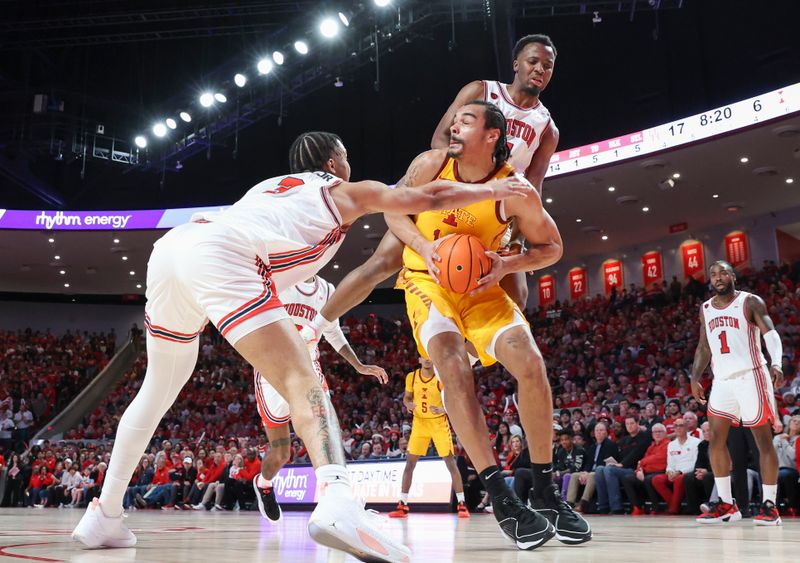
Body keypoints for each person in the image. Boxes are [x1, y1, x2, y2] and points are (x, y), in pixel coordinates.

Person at [71, 130, 530, 562]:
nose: (350, 163)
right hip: (222, 252)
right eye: (346, 156)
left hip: (175, 248)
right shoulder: (343, 192)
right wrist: (497, 191)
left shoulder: (268, 186)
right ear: (333, 162)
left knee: (156, 389)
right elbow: (425, 197)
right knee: (302, 379)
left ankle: (105, 516)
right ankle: (338, 500)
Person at [381, 100, 588, 549]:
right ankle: (500, 495)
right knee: (452, 366)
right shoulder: (430, 164)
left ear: (492, 135)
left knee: (531, 363)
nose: (454, 124)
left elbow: (551, 247)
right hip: (426, 280)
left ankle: (546, 491)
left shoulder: (514, 190)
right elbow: (392, 211)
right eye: (454, 119)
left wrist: (507, 262)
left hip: (481, 287)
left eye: (466, 121)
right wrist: (422, 244)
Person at [305, 34, 560, 334]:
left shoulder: (547, 127)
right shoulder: (481, 90)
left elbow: (534, 184)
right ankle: (313, 332)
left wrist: (519, 237)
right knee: (382, 263)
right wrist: (446, 187)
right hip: (447, 190)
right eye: (533, 62)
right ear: (516, 64)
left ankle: (463, 360)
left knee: (517, 292)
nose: (540, 70)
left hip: (494, 209)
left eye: (547, 65)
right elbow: (439, 139)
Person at [251, 274, 388, 524]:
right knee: (281, 454)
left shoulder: (327, 289)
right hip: (272, 368)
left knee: (326, 431)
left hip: (308, 368)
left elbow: (333, 333)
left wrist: (357, 365)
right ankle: (264, 483)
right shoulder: (279, 280)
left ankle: (339, 500)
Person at [691, 260, 784, 525]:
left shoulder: (750, 302)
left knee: (762, 442)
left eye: (723, 273)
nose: (718, 278)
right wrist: (695, 376)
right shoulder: (706, 308)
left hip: (751, 375)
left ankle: (770, 506)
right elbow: (704, 346)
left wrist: (776, 363)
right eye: (713, 274)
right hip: (722, 380)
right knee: (716, 441)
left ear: (733, 276)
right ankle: (726, 505)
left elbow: (771, 334)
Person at [388, 358, 469, 519]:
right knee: (409, 464)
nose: (427, 360)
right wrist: (408, 404)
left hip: (438, 423)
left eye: (429, 356)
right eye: (423, 356)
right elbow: (407, 397)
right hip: (419, 423)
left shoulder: (441, 377)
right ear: (419, 359)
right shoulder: (412, 376)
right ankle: (402, 505)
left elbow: (452, 400)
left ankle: (462, 504)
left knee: (450, 462)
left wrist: (442, 409)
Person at [650, 417, 701, 514]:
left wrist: (679, 472)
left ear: (686, 428)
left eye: (681, 426)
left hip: (687, 472)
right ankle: (674, 504)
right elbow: (670, 463)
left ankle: (673, 509)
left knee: (679, 479)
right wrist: (669, 471)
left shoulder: (696, 442)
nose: (678, 428)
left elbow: (695, 463)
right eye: (675, 426)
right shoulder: (671, 444)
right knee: (656, 479)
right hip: (674, 472)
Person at [567, 422, 618, 512]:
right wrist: (585, 472)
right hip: (591, 471)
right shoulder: (592, 447)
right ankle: (569, 503)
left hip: (601, 472)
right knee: (574, 475)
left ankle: (583, 503)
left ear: (606, 432)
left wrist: (589, 473)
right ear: (594, 433)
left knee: (592, 475)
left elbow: (606, 462)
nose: (598, 432)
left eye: (601, 430)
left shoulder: (610, 445)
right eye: (597, 430)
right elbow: (588, 463)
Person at [682, 422, 715, 514]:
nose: (706, 433)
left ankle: (712, 507)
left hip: (717, 472)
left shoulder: (721, 443)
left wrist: (706, 471)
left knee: (708, 477)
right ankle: (694, 509)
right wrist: (699, 472)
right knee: (688, 477)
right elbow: (698, 463)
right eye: (704, 431)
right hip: (705, 471)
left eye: (708, 430)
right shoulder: (702, 445)